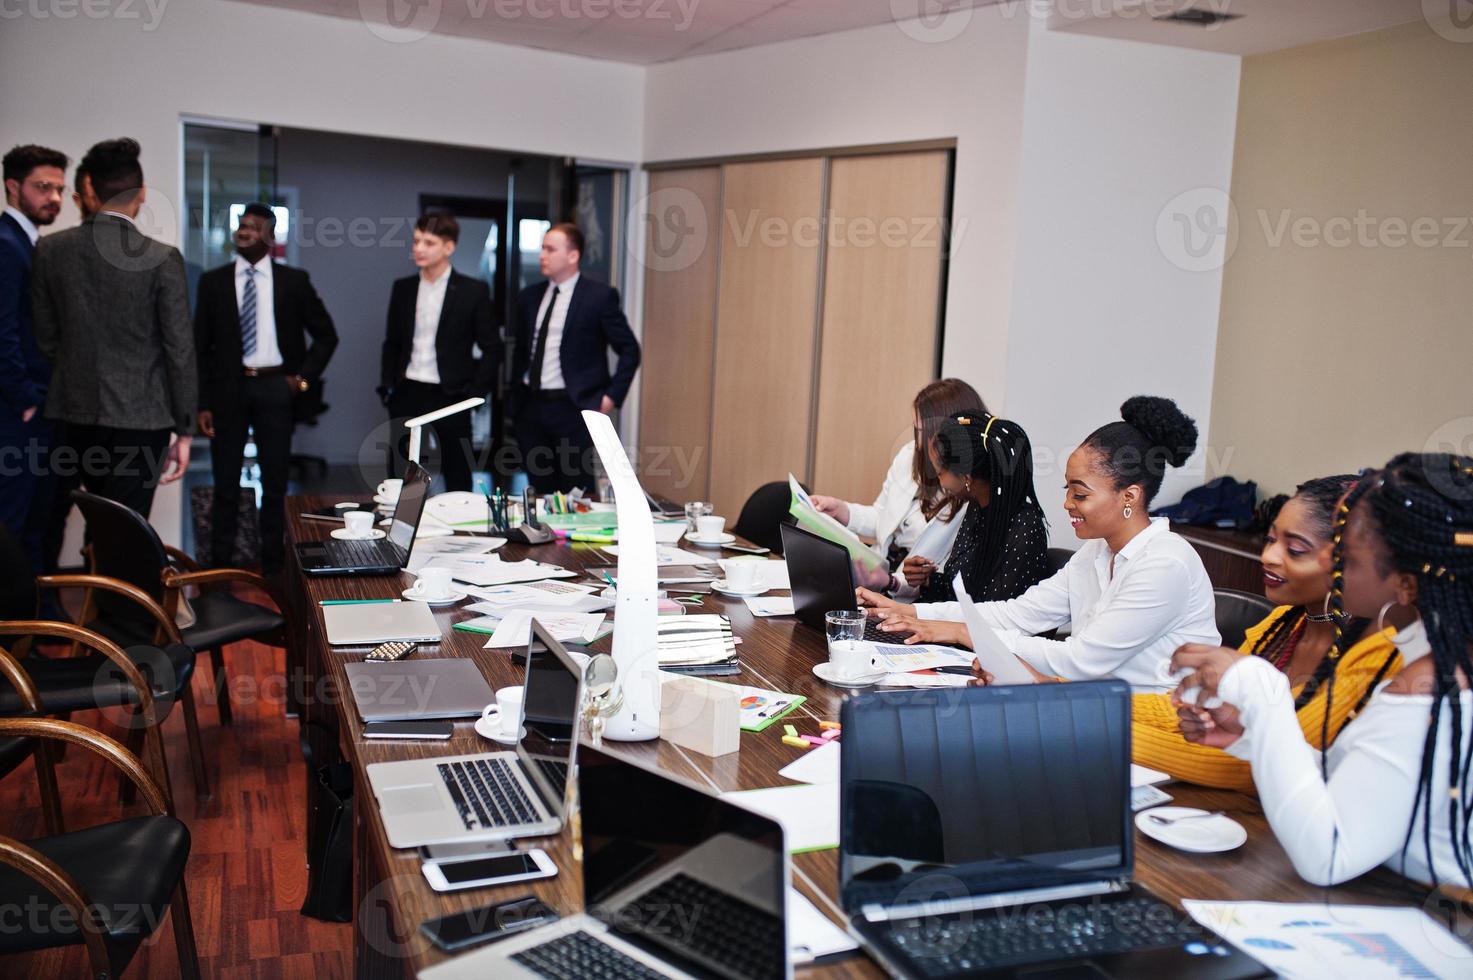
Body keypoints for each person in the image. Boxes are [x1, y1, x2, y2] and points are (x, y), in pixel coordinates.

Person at [1173, 453, 1473, 889]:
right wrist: (1252, 738)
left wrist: (1261, 688)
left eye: (1348, 559)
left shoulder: (1426, 686)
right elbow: (1370, 788)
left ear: (1406, 583)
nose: (1335, 570)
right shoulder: (1437, 660)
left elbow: (1328, 855)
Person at [861, 395, 1216, 693]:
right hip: (1098, 705)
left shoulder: (1165, 564)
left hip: (1159, 727)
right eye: (1068, 491)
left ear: (1130, 496)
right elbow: (1019, 613)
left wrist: (964, 633)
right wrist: (915, 614)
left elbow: (1082, 659)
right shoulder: (1098, 551)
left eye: (1080, 494)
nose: (1067, 504)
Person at [1133, 475, 1402, 791]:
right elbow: (1184, 714)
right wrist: (1085, 701)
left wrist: (1096, 727)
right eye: (1271, 540)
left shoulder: (1381, 653)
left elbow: (1260, 767)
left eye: (1296, 549)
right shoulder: (1281, 625)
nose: (1269, 557)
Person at [32, 138, 195, 550]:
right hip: (143, 420)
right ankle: (125, 615)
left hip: (74, 413)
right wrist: (186, 429)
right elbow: (179, 350)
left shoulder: (51, 250)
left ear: (87, 189)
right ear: (140, 193)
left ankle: (82, 608)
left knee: (89, 521)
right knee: (127, 530)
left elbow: (46, 336)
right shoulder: (161, 257)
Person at [195, 202, 337, 573]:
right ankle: (220, 570)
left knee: (275, 485)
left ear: (270, 236)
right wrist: (203, 403)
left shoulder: (294, 281)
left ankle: (272, 567)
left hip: (277, 387)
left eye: (254, 227)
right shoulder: (214, 282)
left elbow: (326, 336)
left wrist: (302, 380)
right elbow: (200, 347)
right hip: (229, 390)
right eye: (241, 226)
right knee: (225, 483)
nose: (244, 232)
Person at [810, 378, 987, 596]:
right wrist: (842, 511)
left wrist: (889, 582)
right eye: (916, 430)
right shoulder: (910, 455)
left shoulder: (971, 493)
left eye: (923, 431)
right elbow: (883, 518)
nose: (918, 442)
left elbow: (941, 583)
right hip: (876, 578)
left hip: (907, 598)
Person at [509, 223, 640, 494]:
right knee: (539, 490)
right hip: (531, 407)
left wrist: (610, 398)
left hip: (574, 407)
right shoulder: (529, 297)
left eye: (550, 249)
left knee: (576, 491)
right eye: (541, 248)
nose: (542, 255)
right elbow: (521, 351)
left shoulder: (599, 296)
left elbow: (630, 350)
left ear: (573, 255)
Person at [379, 212, 496, 492]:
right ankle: (399, 532)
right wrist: (387, 387)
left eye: (428, 243)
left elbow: (493, 348)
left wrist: (474, 395)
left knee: (457, 470)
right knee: (401, 470)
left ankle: (462, 530)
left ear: (448, 247)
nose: (419, 248)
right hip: (408, 389)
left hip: (451, 394)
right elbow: (392, 342)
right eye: (417, 241)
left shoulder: (473, 291)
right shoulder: (403, 288)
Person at [0, 144, 67, 574]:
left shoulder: (32, 242)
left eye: (60, 188)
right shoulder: (7, 244)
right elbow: (2, 331)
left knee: (41, 515)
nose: (55, 198)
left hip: (40, 405)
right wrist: (23, 396)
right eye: (44, 187)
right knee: (15, 520)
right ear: (13, 187)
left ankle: (39, 617)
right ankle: (17, 632)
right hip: (17, 411)